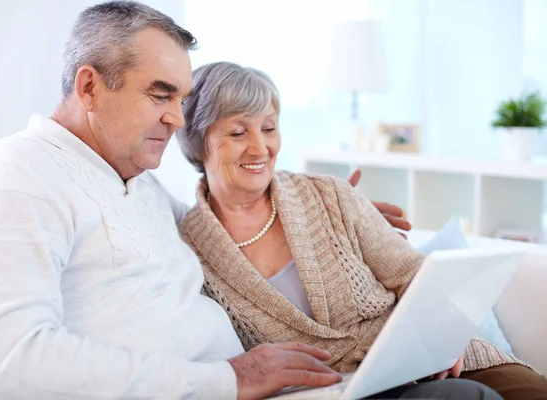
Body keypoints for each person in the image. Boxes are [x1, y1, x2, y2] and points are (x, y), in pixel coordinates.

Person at [0, 2, 504, 400]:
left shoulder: (136, 185)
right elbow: (10, 367)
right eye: (160, 95)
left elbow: (226, 227)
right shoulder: (19, 173)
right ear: (89, 87)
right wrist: (229, 379)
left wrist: (335, 214)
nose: (175, 116)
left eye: (182, 99)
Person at [176, 61, 547, 400]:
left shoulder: (328, 194)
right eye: (239, 132)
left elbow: (411, 273)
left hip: (431, 356)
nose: (260, 147)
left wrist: (444, 334)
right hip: (346, 390)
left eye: (269, 128)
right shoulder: (188, 250)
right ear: (198, 140)